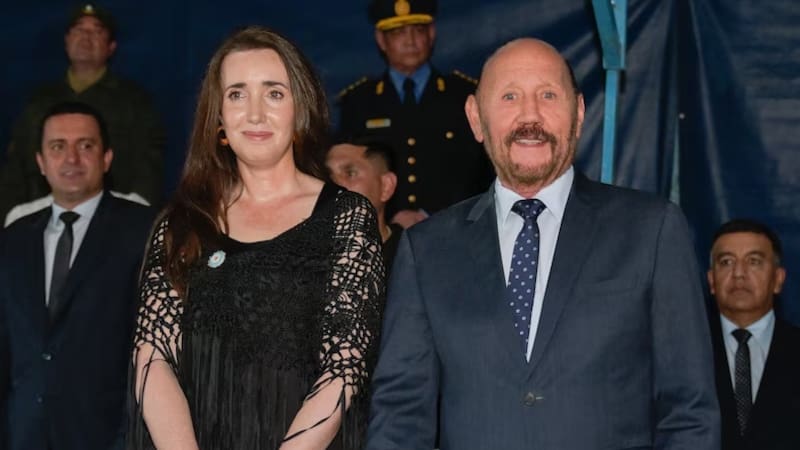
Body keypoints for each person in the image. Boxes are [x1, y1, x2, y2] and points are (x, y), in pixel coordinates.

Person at [366, 38, 720, 449]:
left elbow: (689, 411)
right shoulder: (427, 249)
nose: (530, 115)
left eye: (548, 95)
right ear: (476, 118)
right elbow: (401, 416)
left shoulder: (651, 231)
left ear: (579, 114)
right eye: (509, 96)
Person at [127, 26, 385, 450]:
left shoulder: (347, 218)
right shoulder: (183, 221)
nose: (255, 114)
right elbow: (153, 356)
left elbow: (344, 368)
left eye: (274, 93)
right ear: (218, 118)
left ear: (300, 109)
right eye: (237, 94)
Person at [0, 101, 154, 450]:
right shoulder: (13, 239)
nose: (71, 158)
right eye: (58, 147)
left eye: (85, 145)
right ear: (41, 162)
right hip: (23, 435)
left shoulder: (143, 231)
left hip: (107, 436)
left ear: (106, 158)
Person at [0, 3, 165, 220]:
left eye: (96, 31)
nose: (86, 38)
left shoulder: (134, 101)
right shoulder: (39, 101)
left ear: (111, 46)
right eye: (79, 30)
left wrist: (135, 218)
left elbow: (149, 170)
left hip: (112, 218)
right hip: (43, 220)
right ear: (66, 41)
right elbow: (16, 169)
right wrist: (13, 217)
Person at [338, 0, 492, 228]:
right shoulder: (358, 102)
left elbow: (480, 170)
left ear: (431, 33)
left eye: (418, 30)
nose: (410, 41)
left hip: (454, 226)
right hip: (382, 231)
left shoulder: (464, 95)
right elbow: (347, 172)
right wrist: (390, 216)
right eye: (398, 32)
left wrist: (432, 213)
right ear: (381, 39)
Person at [706, 219, 800, 450]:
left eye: (754, 261)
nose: (739, 273)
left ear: (778, 279)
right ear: (711, 281)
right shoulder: (685, 353)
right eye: (726, 262)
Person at [326, 138, 402, 270]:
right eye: (328, 176)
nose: (334, 185)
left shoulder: (415, 259)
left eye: (350, 173)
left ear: (386, 186)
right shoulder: (307, 261)